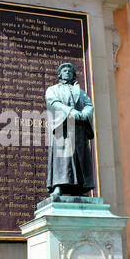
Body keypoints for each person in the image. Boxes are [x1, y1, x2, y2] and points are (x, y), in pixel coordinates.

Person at [45, 62, 95, 196]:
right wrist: (70, 111)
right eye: (64, 70)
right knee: (62, 158)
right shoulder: (52, 89)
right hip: (63, 126)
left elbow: (89, 105)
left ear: (73, 74)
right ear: (60, 74)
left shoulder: (80, 91)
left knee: (79, 158)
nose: (67, 72)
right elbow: (54, 102)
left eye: (70, 71)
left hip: (78, 128)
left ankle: (79, 187)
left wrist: (84, 114)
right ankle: (59, 186)